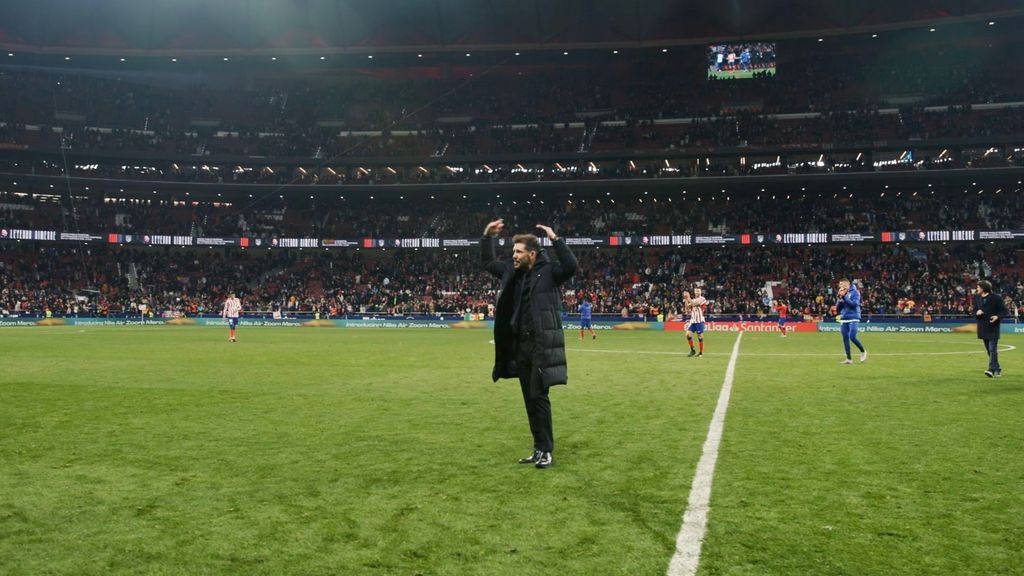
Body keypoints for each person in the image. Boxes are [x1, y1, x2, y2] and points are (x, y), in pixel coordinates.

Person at [481, 218, 577, 469]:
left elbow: (571, 265)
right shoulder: (512, 272)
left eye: (518, 251)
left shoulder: (549, 272)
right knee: (528, 398)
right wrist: (487, 238)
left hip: (540, 346)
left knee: (538, 395)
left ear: (532, 254)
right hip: (520, 346)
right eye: (513, 251)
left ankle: (546, 450)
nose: (513, 255)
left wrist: (555, 239)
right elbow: (489, 263)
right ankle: (537, 448)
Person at [973, 279, 1009, 377]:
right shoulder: (977, 298)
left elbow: (1004, 311)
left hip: (993, 327)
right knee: (989, 351)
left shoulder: (996, 298)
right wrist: (977, 313)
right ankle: (997, 369)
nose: (977, 288)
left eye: (978, 287)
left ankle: (991, 369)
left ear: (984, 288)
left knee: (992, 349)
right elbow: (974, 311)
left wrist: (997, 317)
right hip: (983, 328)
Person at [837, 279, 866, 364]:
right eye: (840, 285)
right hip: (844, 317)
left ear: (847, 284)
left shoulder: (855, 292)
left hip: (853, 316)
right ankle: (849, 359)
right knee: (845, 338)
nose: (840, 286)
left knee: (852, 337)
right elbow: (838, 309)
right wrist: (840, 300)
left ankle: (863, 351)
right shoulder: (841, 292)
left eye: (841, 284)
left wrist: (844, 297)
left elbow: (854, 304)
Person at [684, 288, 707, 357]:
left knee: (699, 336)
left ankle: (700, 353)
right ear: (694, 292)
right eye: (696, 291)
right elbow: (687, 308)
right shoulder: (692, 300)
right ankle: (693, 350)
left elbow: (695, 304)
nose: (697, 292)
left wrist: (688, 298)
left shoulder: (702, 299)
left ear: (700, 292)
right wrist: (686, 299)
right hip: (693, 320)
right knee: (687, 334)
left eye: (698, 291)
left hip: (699, 320)